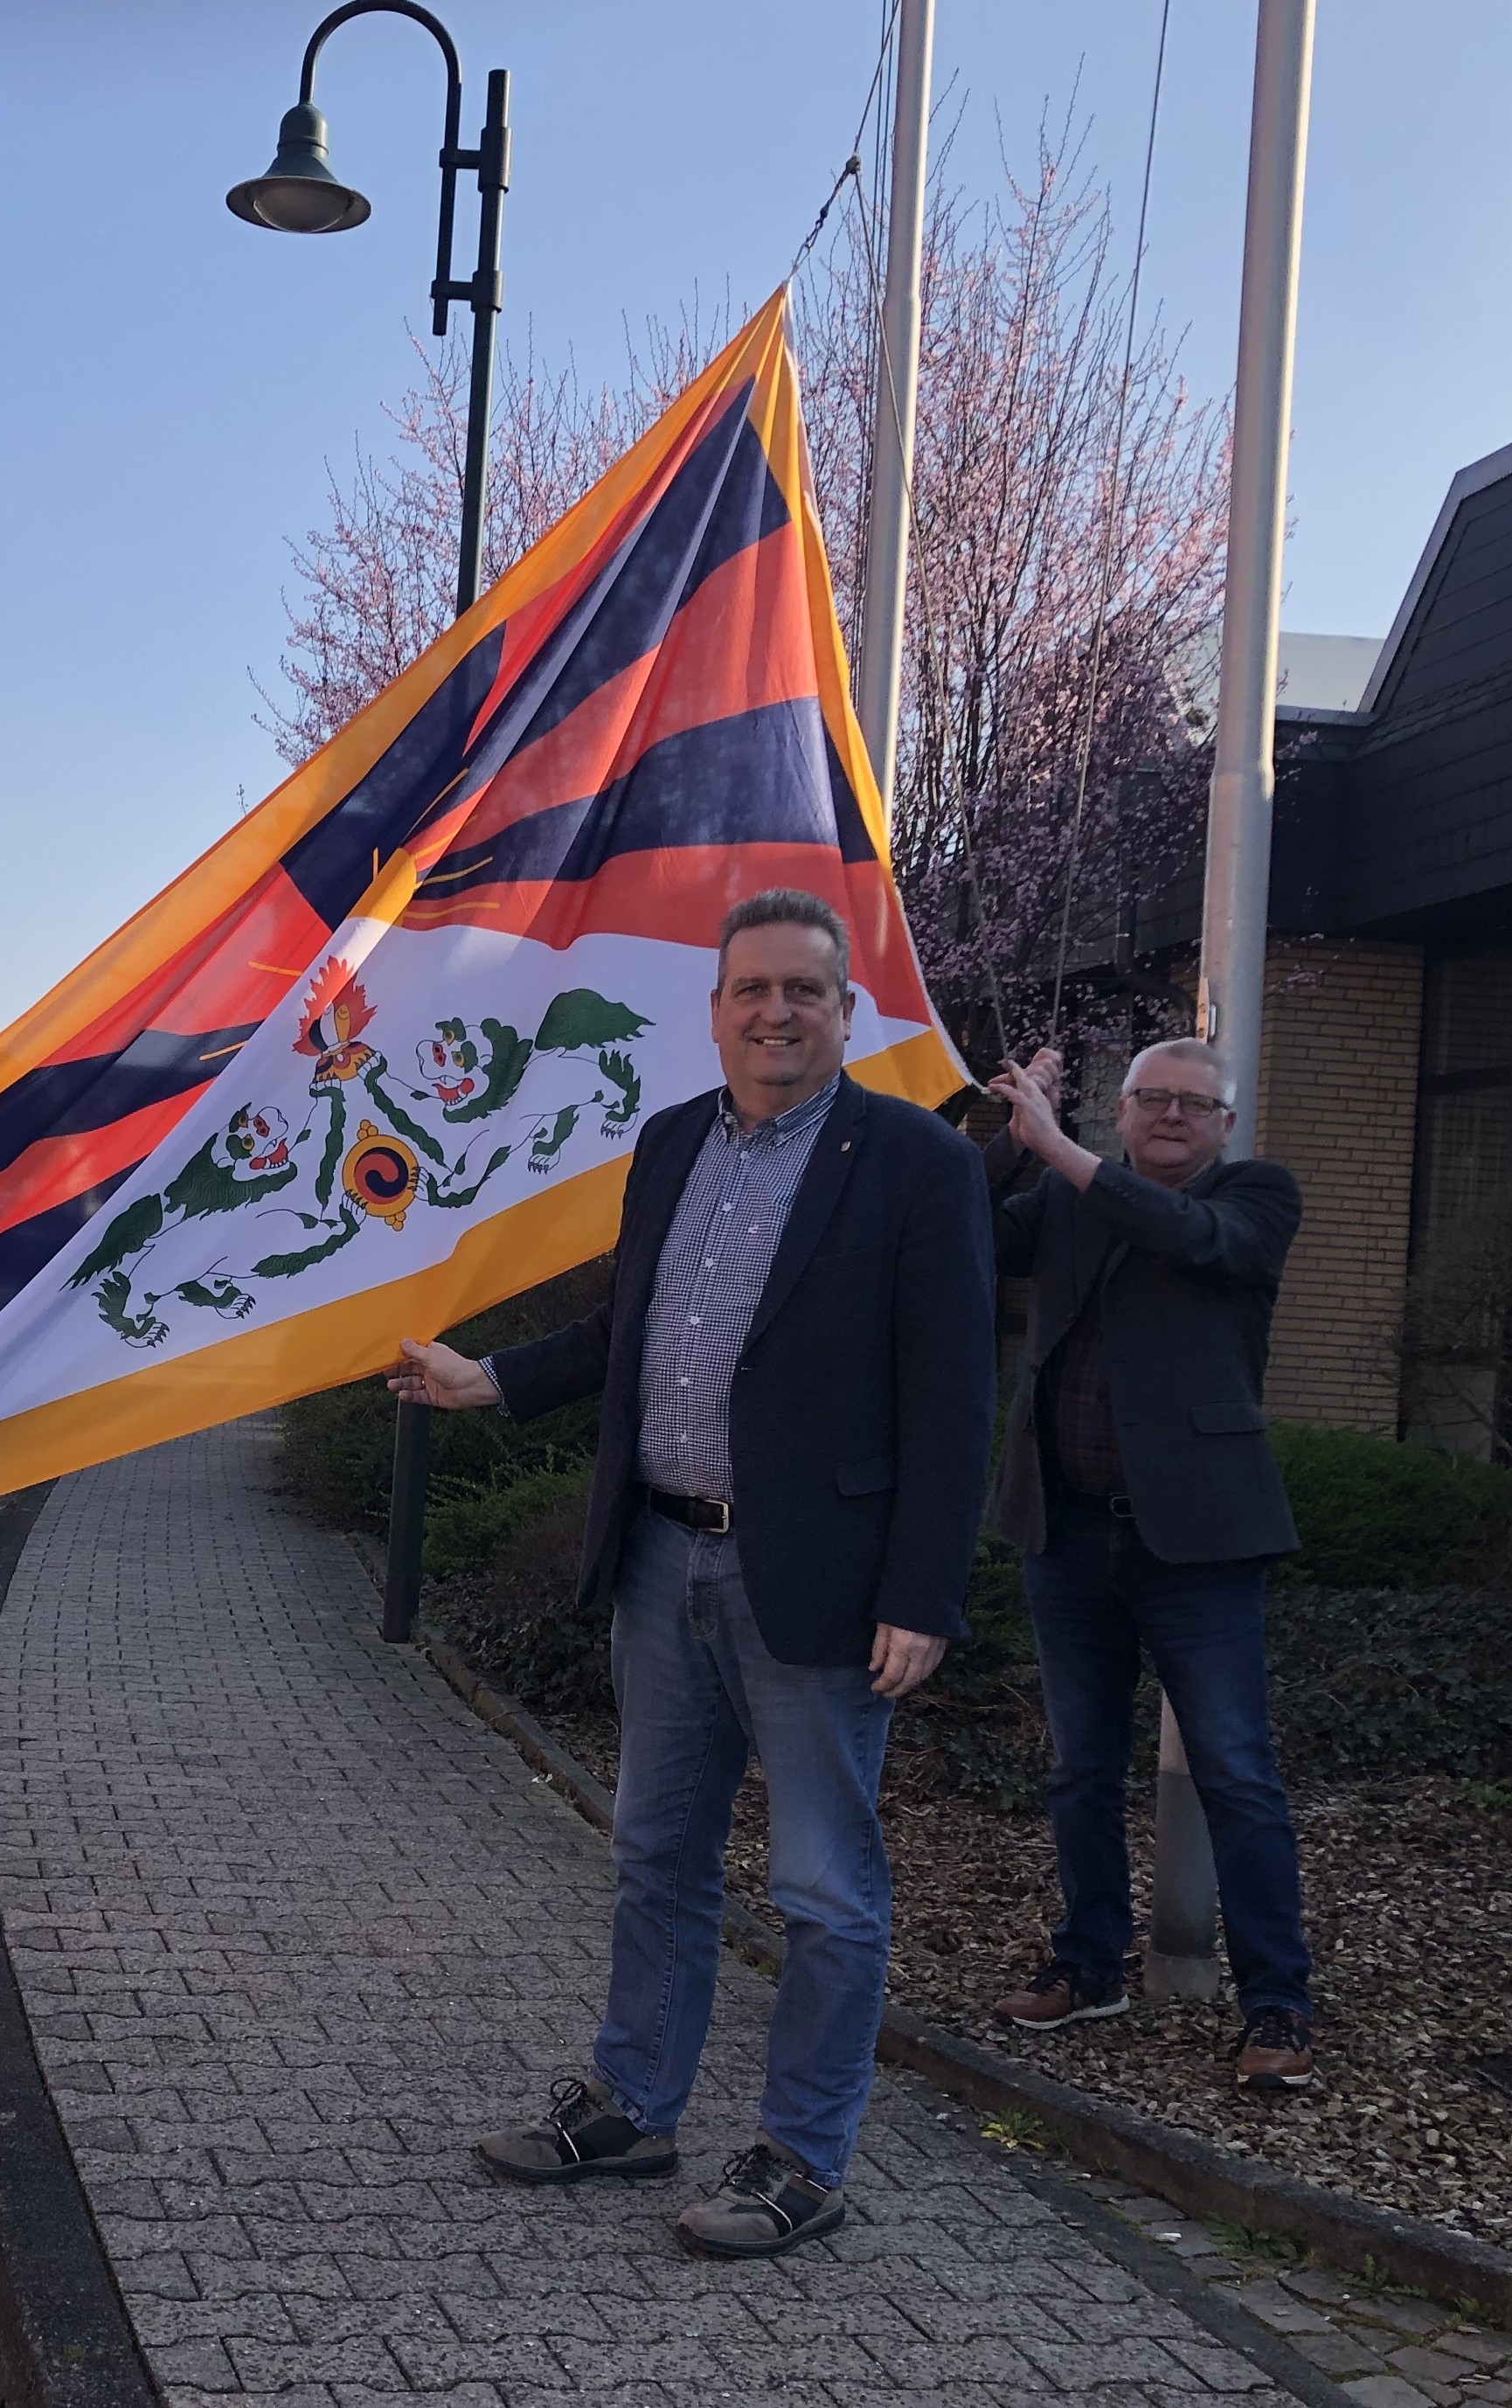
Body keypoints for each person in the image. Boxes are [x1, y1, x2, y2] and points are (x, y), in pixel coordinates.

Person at [391, 891, 995, 2259]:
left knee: (822, 1888)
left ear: (845, 1011)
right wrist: (489, 1378)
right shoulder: (669, 1142)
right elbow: (631, 1323)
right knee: (653, 1852)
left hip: (817, 1581)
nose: (774, 1011)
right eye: (750, 989)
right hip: (660, 1558)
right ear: (713, 1009)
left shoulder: (914, 1162)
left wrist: (921, 1590)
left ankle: (801, 2156)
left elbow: (953, 1393)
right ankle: (633, 2103)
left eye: (801, 989)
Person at [980, 1037, 1317, 2090]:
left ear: (1224, 1125)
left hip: (1199, 1546)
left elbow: (1188, 1238)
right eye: (1151, 1098)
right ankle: (1088, 1963)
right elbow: (958, 1235)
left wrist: (1062, 1153)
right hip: (1066, 1531)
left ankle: (1275, 2003)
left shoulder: (1254, 1196)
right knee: (1079, 1766)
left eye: (1192, 1103)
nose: (1171, 1114)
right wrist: (1011, 1140)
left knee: (1235, 1775)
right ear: (1120, 1112)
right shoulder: (1065, 1193)